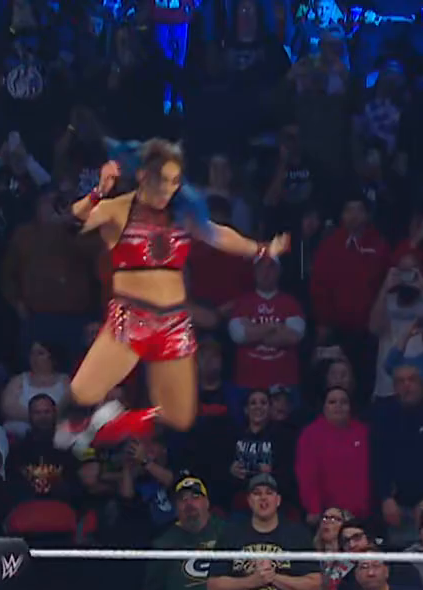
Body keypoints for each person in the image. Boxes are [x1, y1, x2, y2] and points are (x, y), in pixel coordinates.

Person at [58, 139, 290, 450]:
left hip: (174, 323)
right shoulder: (117, 209)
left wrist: (262, 249)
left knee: (180, 418)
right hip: (132, 319)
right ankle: (92, 425)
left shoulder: (182, 215)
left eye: (174, 181)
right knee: (78, 400)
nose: (169, 188)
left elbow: (218, 234)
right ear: (143, 176)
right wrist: (98, 191)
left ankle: (109, 423)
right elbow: (72, 224)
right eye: (162, 180)